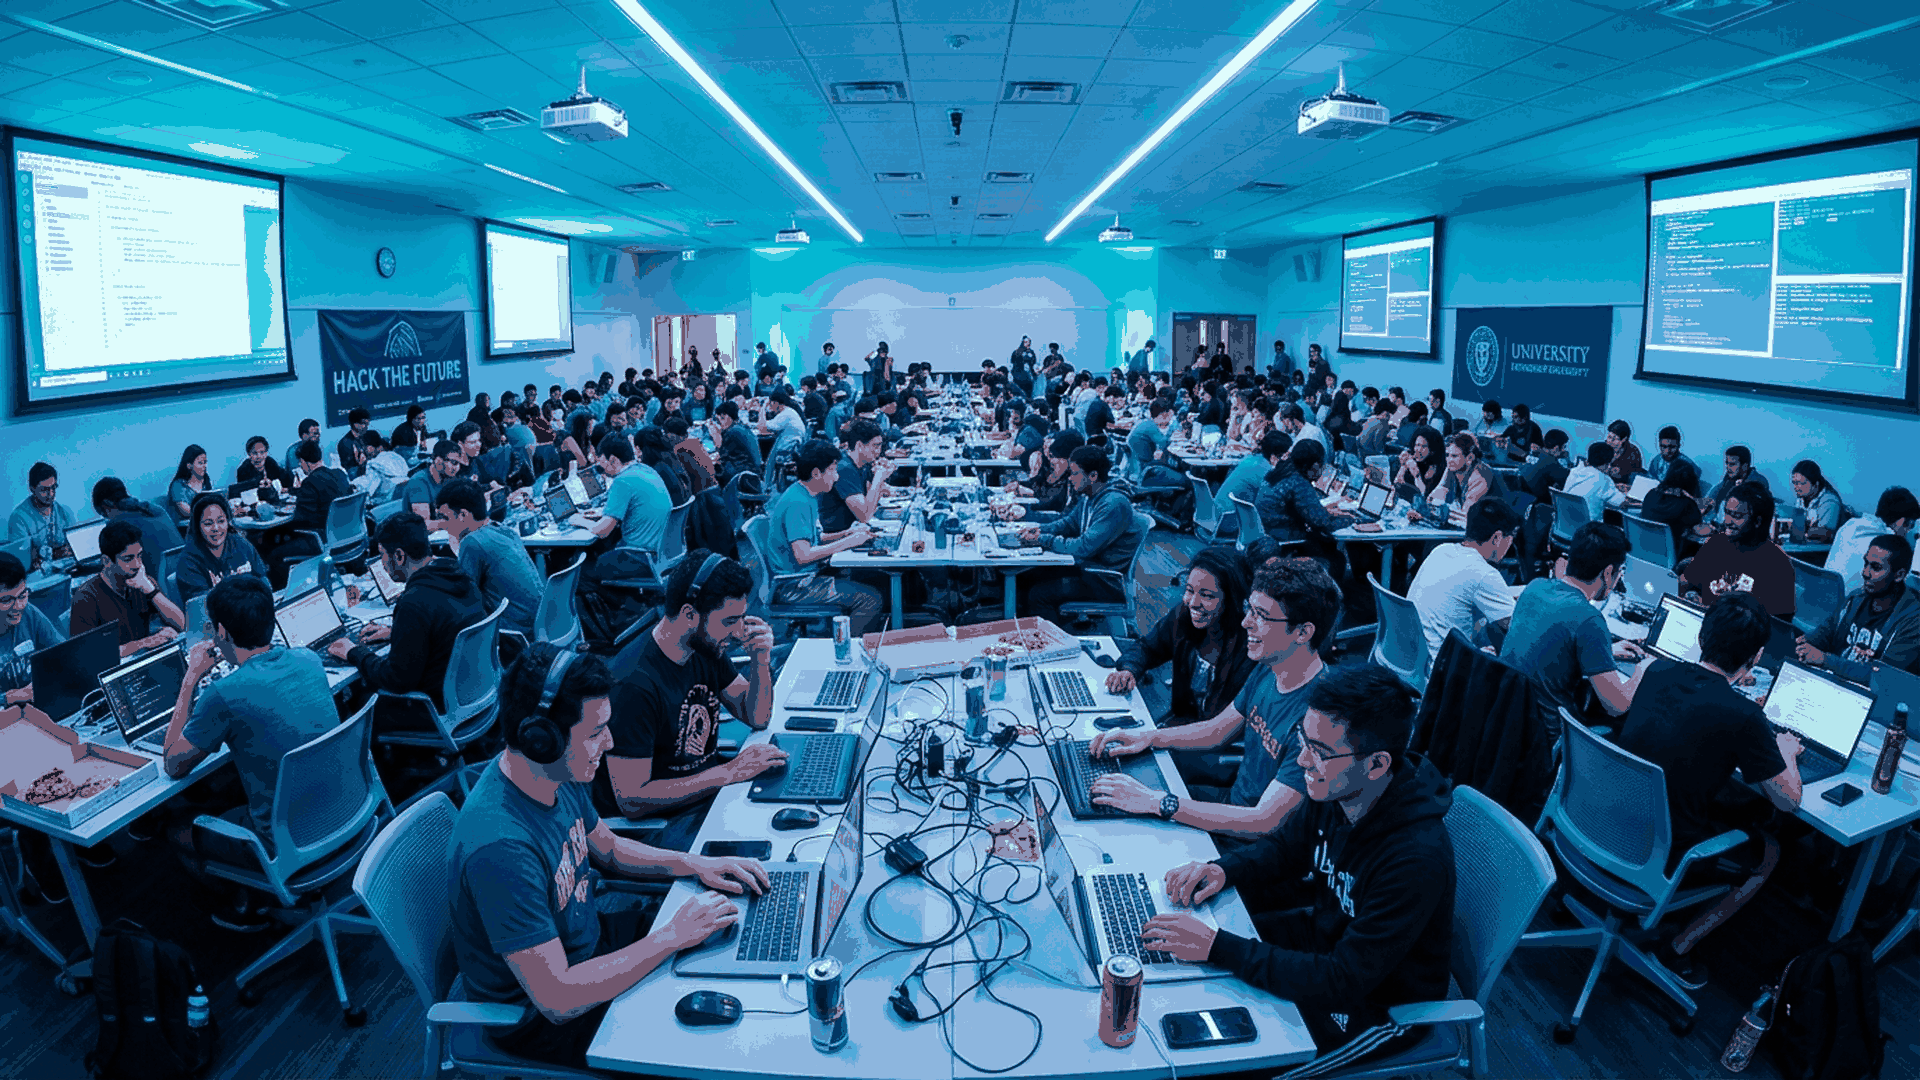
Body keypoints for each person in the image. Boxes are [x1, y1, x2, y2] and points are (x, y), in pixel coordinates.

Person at [449, 641, 766, 1069]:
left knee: (730, 936)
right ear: (541, 739)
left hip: (590, 944)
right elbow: (557, 997)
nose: (611, 741)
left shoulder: (557, 772)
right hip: (541, 1019)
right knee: (708, 1051)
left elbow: (611, 849)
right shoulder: (501, 848)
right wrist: (669, 937)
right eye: (596, 731)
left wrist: (697, 864)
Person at [1143, 664, 1452, 1074]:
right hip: (1324, 947)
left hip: (1379, 1008)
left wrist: (1220, 947)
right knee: (1184, 968)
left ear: (1377, 764)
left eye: (1321, 751)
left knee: (1233, 1064)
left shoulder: (1414, 859)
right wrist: (1221, 870)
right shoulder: (1337, 787)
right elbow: (1286, 850)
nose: (1303, 760)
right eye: (1302, 739)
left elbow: (1344, 981)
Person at [1614, 593, 1802, 986]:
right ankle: (1677, 948)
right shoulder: (1745, 715)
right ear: (1757, 656)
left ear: (1702, 636)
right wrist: (1787, 752)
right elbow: (1787, 801)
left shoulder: (1655, 670)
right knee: (1769, 850)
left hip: (1607, 819)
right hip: (1661, 852)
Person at [1088, 558, 1337, 839]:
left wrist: (1158, 803)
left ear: (1303, 632)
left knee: (1122, 822)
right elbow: (1217, 730)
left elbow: (1263, 823)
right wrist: (1147, 738)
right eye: (1248, 610)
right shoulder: (1270, 668)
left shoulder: (1319, 717)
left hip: (1254, 841)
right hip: (1232, 803)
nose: (1246, 623)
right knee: (1112, 789)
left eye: (1261, 616)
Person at [157, 574, 338, 929]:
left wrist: (189, 679)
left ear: (221, 632)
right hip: (340, 809)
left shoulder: (224, 694)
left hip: (285, 839)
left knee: (175, 830)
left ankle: (244, 905)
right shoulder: (309, 660)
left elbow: (173, 763)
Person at [597, 552, 783, 851]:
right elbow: (632, 800)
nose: (738, 633)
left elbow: (757, 716)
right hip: (662, 826)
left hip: (706, 793)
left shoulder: (704, 646)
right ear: (689, 614)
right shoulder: (632, 684)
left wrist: (760, 659)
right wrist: (728, 773)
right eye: (729, 621)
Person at [1110, 548, 1258, 788]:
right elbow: (1148, 647)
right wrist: (1129, 669)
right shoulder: (1183, 616)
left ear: (1231, 600)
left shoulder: (1250, 647)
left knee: (1137, 768)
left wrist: (1158, 738)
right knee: (1124, 753)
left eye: (1207, 595)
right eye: (1189, 590)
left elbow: (1222, 732)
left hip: (1220, 746)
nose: (1193, 602)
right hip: (1184, 727)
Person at [327, 514, 487, 718]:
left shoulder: (414, 602)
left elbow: (397, 680)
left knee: (360, 700)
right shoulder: (459, 575)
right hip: (472, 691)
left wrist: (353, 652)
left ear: (400, 556)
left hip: (437, 709)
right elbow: (441, 626)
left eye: (383, 555)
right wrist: (398, 632)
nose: (382, 564)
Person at [1501, 522, 1649, 716]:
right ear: (1607, 572)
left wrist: (1605, 652)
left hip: (1508, 717)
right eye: (1619, 572)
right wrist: (1643, 668)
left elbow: (1549, 648)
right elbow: (1617, 705)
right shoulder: (1589, 620)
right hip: (1545, 735)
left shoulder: (1534, 588)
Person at [1018, 446, 1147, 623]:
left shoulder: (1113, 504)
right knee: (1026, 576)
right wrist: (1038, 530)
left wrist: (1043, 539)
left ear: (1093, 476)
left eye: (1074, 473)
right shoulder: (1090, 496)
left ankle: (1055, 645)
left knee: (1038, 595)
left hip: (1104, 581)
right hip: (1088, 570)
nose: (1070, 479)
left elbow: (1083, 547)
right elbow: (1068, 524)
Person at [767, 440, 884, 634]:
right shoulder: (798, 502)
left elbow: (813, 538)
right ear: (816, 473)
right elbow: (803, 555)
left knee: (871, 579)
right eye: (832, 470)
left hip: (801, 578)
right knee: (870, 599)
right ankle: (847, 654)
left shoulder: (804, 493)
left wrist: (846, 534)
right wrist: (847, 542)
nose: (837, 477)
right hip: (795, 587)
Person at [1407, 497, 1521, 667]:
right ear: (1497, 537)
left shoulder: (1440, 550)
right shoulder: (1484, 574)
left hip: (1410, 657)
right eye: (1511, 536)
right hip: (1440, 672)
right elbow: (1516, 626)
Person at [1796, 534, 1920, 685]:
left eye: (1875, 567)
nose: (1865, 573)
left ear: (1899, 575)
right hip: (1835, 682)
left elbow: (1884, 677)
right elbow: (1827, 632)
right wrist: (1805, 644)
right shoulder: (1855, 598)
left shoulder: (1913, 620)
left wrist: (1825, 660)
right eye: (1866, 563)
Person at [436, 480, 543, 641]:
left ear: (463, 515)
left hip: (514, 634)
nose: (443, 525)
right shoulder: (505, 530)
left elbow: (463, 599)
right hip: (540, 622)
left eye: (446, 517)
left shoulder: (472, 542)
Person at [71, 519, 187, 657]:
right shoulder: (86, 598)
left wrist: (151, 591)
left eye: (139, 556)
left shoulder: (142, 582)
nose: (137, 564)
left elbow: (182, 624)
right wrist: (145, 643)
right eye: (128, 559)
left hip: (143, 660)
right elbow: (89, 655)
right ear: (106, 561)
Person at [1684, 482, 1795, 619]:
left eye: (1736, 516)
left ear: (1757, 521)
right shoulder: (1716, 543)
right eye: (1727, 513)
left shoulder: (1777, 563)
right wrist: (1691, 597)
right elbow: (1689, 583)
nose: (1727, 521)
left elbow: (1779, 626)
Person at [582, 433, 672, 558]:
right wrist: (604, 514)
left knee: (585, 567)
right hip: (659, 550)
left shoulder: (622, 481)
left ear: (613, 459)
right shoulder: (646, 469)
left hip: (638, 555)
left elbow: (603, 531)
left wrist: (579, 521)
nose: (601, 467)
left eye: (601, 461)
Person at [175, 493, 267, 602]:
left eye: (221, 521)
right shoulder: (189, 562)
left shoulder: (240, 543)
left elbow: (262, 579)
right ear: (197, 526)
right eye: (208, 524)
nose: (216, 528)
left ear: (228, 521)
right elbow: (199, 609)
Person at [0, 552, 65, 708]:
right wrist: (10, 697)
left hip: (35, 710)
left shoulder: (29, 612)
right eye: (7, 600)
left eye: (23, 595)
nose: (19, 606)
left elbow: (63, 654)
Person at [91, 478, 183, 584]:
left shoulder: (119, 526)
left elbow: (113, 567)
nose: (107, 518)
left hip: (156, 588)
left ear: (107, 504)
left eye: (104, 513)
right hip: (184, 577)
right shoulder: (156, 510)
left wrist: (88, 568)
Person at [1828, 486, 1920, 589]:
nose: (1909, 531)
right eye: (1911, 525)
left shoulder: (1850, 525)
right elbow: (1908, 582)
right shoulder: (1888, 545)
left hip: (1824, 595)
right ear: (1902, 521)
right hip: (1852, 602)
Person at [819, 420, 889, 534]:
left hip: (854, 531)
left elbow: (873, 501)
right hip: (839, 538)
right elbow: (864, 516)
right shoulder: (845, 469)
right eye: (875, 446)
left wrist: (881, 480)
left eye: (880, 446)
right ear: (859, 445)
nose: (878, 451)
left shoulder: (862, 465)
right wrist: (878, 479)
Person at [8, 462, 76, 571]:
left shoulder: (64, 511)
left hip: (67, 570)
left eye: (53, 487)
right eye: (44, 489)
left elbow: (75, 546)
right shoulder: (18, 518)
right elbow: (23, 561)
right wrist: (54, 554)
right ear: (32, 489)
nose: (51, 494)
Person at [1219, 431, 1291, 529]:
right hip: (1231, 522)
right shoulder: (1265, 469)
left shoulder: (1251, 458)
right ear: (1278, 455)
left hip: (1218, 515)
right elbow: (1278, 498)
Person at [1700, 444, 1769, 532]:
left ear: (1745, 466)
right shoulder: (1728, 480)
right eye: (1727, 464)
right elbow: (1712, 496)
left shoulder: (1758, 481)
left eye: (1732, 464)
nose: (1728, 468)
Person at [1637, 458, 1703, 547]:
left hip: (1644, 549)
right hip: (1671, 552)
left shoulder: (1651, 494)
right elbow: (1697, 527)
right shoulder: (1687, 504)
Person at [405, 439, 465, 527]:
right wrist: (454, 523)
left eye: (459, 464)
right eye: (454, 462)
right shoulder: (419, 482)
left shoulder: (448, 479)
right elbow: (422, 524)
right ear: (438, 461)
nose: (457, 468)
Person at [1562, 441, 1626, 523]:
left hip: (1564, 525)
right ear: (1607, 463)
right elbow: (1621, 502)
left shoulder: (1574, 471)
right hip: (1589, 531)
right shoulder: (1604, 479)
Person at [709, 401, 763, 483]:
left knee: (710, 471)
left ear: (724, 416)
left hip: (744, 476)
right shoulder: (742, 427)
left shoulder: (733, 431)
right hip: (755, 471)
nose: (718, 423)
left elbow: (721, 452)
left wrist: (715, 434)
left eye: (718, 419)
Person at [1789, 459, 1843, 541]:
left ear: (1816, 484)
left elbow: (1826, 534)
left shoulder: (1829, 502)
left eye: (1801, 483)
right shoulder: (1801, 498)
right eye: (1795, 483)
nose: (1796, 487)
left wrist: (1802, 528)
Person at [355, 430, 412, 503]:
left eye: (364, 447)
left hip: (389, 500)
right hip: (405, 495)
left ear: (370, 446)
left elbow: (371, 490)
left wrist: (362, 466)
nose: (363, 450)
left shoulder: (373, 464)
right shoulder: (396, 456)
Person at [1517, 429, 1571, 504]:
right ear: (1556, 448)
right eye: (1563, 447)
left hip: (1524, 499)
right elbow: (1568, 479)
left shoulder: (1537, 455)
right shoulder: (1551, 463)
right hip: (1540, 505)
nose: (1563, 450)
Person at [756, 391, 807, 464]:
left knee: (761, 450)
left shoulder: (785, 415)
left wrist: (763, 407)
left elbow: (762, 427)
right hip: (791, 448)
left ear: (775, 403)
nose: (769, 407)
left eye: (770, 404)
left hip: (786, 451)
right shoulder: (788, 412)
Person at [167, 444, 213, 521]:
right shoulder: (178, 485)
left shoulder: (206, 480)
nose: (204, 466)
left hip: (204, 521)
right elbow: (186, 512)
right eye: (200, 463)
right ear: (189, 466)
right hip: (184, 527)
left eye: (205, 462)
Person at [1648, 426, 1698, 491]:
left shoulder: (1687, 465)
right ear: (1659, 445)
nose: (1667, 451)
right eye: (1663, 446)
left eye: (1672, 447)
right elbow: (1649, 482)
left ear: (1679, 446)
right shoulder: (1656, 461)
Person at [338, 408, 373, 475]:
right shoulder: (345, 443)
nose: (366, 426)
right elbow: (350, 470)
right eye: (363, 423)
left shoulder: (367, 437)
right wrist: (361, 464)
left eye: (367, 423)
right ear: (354, 424)